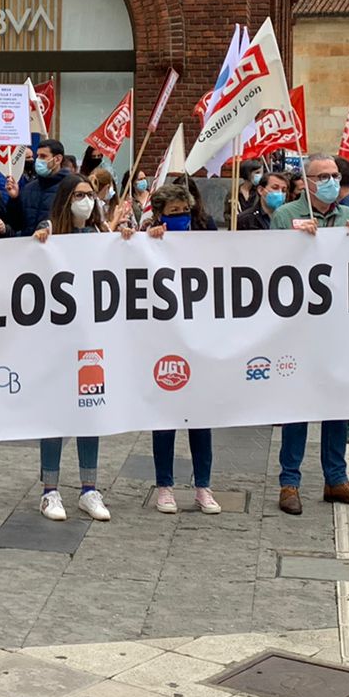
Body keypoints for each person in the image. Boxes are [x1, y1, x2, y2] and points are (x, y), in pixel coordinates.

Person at [270, 153, 349, 513]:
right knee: (298, 404)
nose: (330, 181)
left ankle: (336, 478)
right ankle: (289, 482)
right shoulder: (286, 216)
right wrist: (299, 242)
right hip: (299, 327)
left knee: (337, 405)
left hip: (339, 327)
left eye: (334, 175)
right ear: (306, 180)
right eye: (322, 176)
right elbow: (272, 266)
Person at [27, 175, 120, 521]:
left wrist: (123, 240)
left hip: (92, 340)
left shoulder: (100, 234)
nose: (86, 200)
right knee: (55, 415)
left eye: (89, 195)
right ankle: (49, 491)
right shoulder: (50, 230)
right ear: (66, 200)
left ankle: (89, 488)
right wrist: (37, 244)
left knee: (90, 409)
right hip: (56, 340)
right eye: (79, 195)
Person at [143, 181, 220, 514]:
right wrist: (149, 239)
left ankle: (203, 485)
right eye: (173, 213)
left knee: (200, 415)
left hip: (199, 335)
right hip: (163, 337)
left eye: (184, 211)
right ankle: (165, 486)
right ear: (160, 214)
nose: (180, 217)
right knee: (165, 414)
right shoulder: (147, 239)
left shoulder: (205, 232)